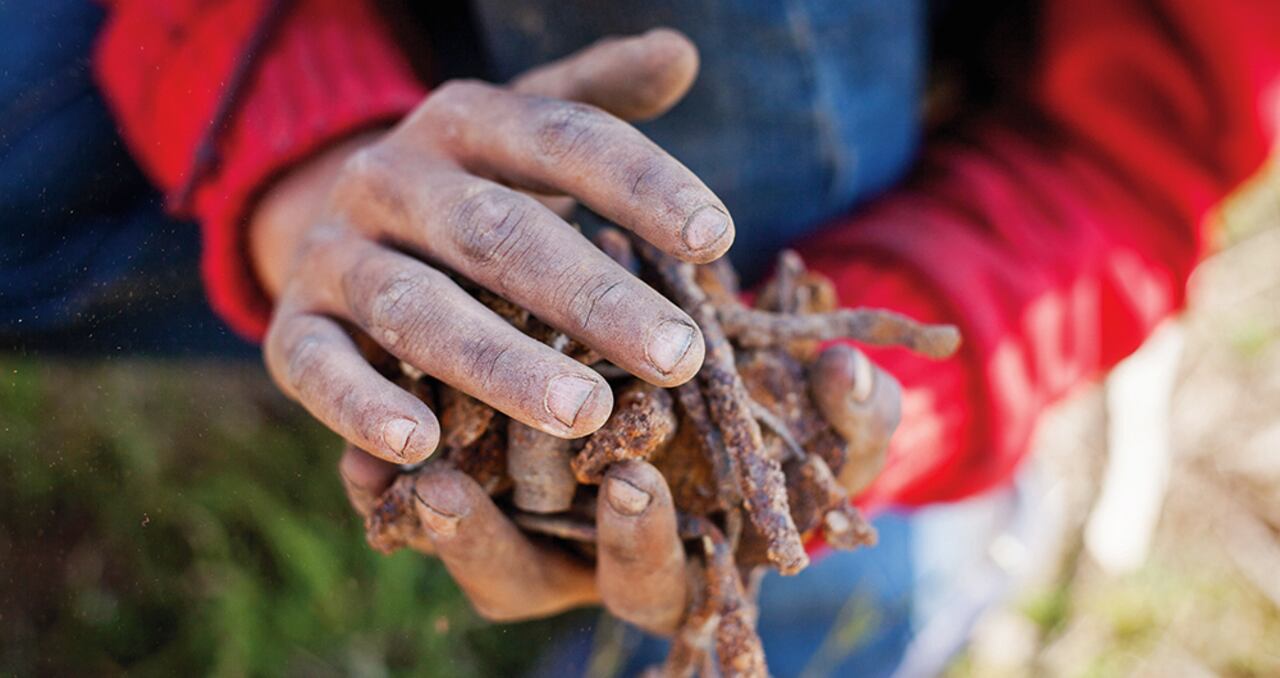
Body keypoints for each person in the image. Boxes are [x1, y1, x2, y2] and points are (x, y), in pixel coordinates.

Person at [62, 0, 1280, 673]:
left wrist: (817, 401)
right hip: (362, 65)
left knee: (765, 537)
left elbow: (1128, 158)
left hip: (853, 161)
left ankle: (847, 557)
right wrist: (306, 165)